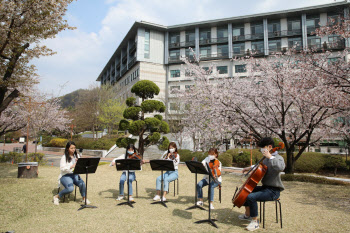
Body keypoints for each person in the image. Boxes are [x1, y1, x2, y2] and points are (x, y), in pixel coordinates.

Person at [238, 137, 285, 231]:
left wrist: (270, 157)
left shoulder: (278, 158)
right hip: (265, 188)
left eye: (263, 148)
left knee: (251, 197)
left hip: (274, 191)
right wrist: (248, 168)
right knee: (247, 190)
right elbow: (258, 165)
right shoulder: (265, 158)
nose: (261, 150)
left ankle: (255, 222)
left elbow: (281, 167)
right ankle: (247, 214)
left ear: (270, 147)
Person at [53, 141, 89, 205]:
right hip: (65, 175)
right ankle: (56, 197)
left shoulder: (77, 155)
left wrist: (80, 163)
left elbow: (80, 166)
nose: (73, 150)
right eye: (71, 148)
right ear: (67, 148)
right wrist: (71, 166)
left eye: (74, 148)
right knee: (70, 188)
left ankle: (84, 198)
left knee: (82, 184)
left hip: (75, 174)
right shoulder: (64, 157)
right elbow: (62, 168)